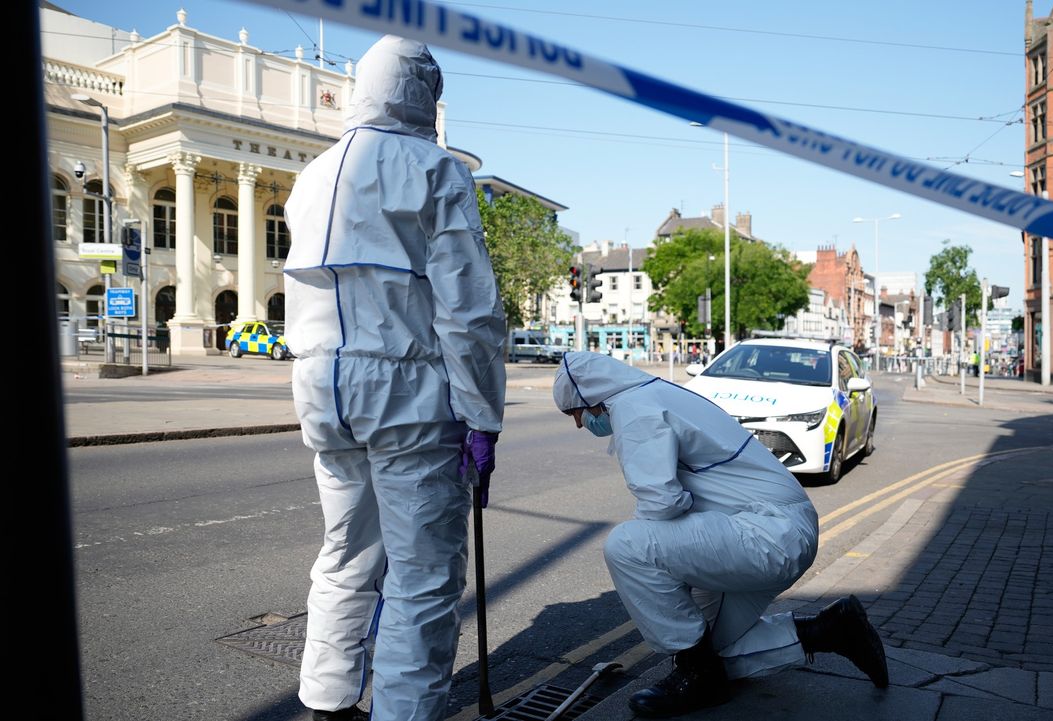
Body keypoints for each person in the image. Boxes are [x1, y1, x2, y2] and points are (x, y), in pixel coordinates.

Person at [284, 35, 506, 721]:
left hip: (323, 389)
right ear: (423, 97)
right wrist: (483, 416)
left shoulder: (311, 174)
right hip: (405, 390)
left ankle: (327, 699)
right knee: (423, 577)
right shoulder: (435, 170)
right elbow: (468, 310)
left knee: (346, 553)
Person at [552, 352, 889, 718]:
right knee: (716, 651)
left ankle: (697, 675)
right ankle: (832, 629)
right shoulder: (654, 395)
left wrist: (663, 576)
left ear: (592, 398)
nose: (578, 424)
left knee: (627, 547)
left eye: (575, 413)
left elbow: (659, 504)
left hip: (766, 534)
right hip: (768, 529)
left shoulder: (635, 409)